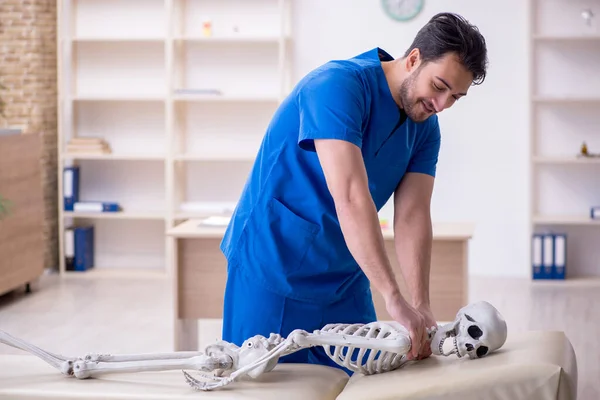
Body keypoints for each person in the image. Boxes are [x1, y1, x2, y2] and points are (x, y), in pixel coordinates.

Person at [219, 12, 488, 373]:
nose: (441, 105)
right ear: (413, 60)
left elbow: (412, 215)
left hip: (346, 276)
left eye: (455, 96)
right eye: (439, 87)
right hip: (273, 265)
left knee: (362, 380)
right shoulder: (336, 87)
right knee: (263, 384)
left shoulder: (425, 128)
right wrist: (393, 297)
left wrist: (421, 304)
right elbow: (350, 195)